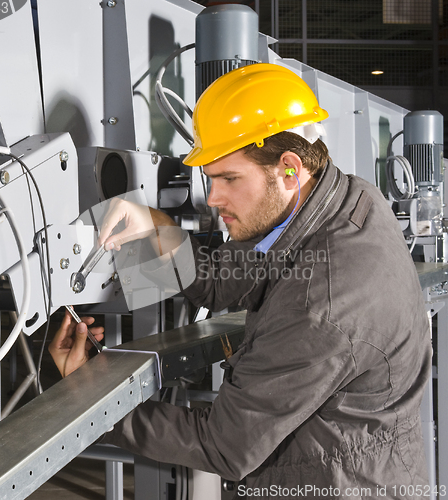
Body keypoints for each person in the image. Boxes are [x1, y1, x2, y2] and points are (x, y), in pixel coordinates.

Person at [50, 64, 431, 498]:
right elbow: (218, 281)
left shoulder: (321, 304)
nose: (213, 198)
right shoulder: (338, 201)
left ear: (288, 168)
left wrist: (91, 401)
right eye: (210, 178)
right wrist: (151, 227)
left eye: (229, 178)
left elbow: (224, 446)